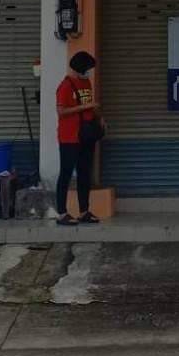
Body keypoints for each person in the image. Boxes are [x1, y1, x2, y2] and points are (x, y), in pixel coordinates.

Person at [55, 51, 103, 226]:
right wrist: (85, 106)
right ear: (80, 67)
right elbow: (61, 111)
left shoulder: (86, 82)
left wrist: (99, 118)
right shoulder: (65, 86)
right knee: (66, 174)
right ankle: (62, 213)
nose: (89, 71)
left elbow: (90, 106)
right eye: (88, 68)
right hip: (69, 137)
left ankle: (84, 211)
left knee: (84, 173)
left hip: (86, 135)